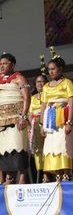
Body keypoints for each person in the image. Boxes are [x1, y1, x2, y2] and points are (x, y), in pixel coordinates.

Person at [0, 53, 30, 184]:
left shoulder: (20, 78)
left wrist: (23, 116)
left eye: (5, 63)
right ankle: (9, 179)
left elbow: (27, 98)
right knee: (4, 151)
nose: (2, 66)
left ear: (12, 64)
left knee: (18, 149)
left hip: (16, 120)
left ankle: (21, 180)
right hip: (1, 121)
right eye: (1, 64)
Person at [40, 47, 73, 182]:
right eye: (49, 69)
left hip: (63, 117)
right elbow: (43, 105)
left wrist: (69, 121)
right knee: (52, 145)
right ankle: (56, 173)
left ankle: (66, 172)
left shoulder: (67, 83)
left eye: (53, 69)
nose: (51, 71)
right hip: (50, 120)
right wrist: (42, 124)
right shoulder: (46, 87)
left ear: (60, 69)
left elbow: (71, 102)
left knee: (63, 144)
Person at [28, 57, 47, 182]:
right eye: (37, 82)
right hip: (35, 126)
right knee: (36, 152)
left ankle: (47, 174)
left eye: (42, 82)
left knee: (47, 150)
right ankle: (38, 176)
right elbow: (29, 113)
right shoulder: (33, 98)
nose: (40, 84)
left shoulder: (49, 96)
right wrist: (30, 126)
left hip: (46, 124)